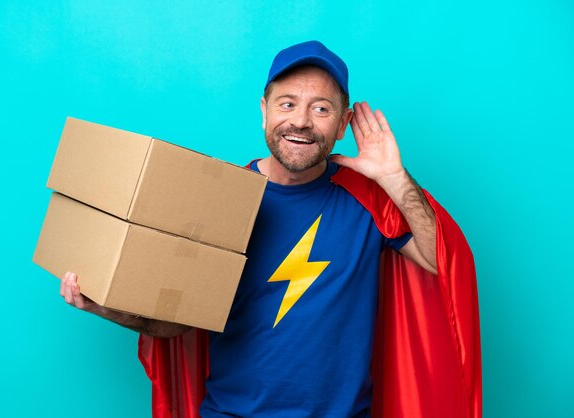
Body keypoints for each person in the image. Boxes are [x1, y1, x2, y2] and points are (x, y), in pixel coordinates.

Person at [60, 41, 481, 417]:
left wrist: (393, 176)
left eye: (321, 108)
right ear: (263, 109)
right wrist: (104, 306)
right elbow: (176, 327)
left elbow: (439, 260)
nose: (301, 121)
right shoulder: (219, 201)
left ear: (342, 123)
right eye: (287, 104)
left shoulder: (368, 200)